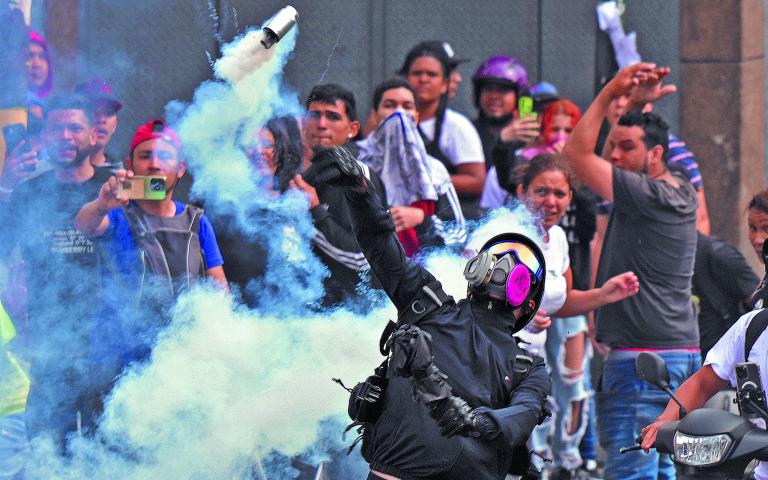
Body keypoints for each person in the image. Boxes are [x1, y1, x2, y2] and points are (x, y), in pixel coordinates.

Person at [304, 145, 549, 479]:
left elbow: (523, 415)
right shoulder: (428, 304)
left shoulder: (528, 368)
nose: (502, 269)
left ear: (528, 302)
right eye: (496, 259)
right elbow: (381, 245)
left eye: (516, 269)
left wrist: (469, 419)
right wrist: (361, 192)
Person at [562, 63, 700, 480]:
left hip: (642, 360)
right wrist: (635, 107)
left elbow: (576, 158)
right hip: (675, 353)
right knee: (660, 472)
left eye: (626, 147)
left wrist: (609, 94)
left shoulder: (645, 193)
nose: (615, 156)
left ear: (655, 154)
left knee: (630, 472)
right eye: (614, 146)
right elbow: (600, 161)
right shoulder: (678, 187)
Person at [513, 154, 639, 478]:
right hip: (500, 365)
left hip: (531, 367)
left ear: (570, 197)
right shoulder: (505, 234)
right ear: (521, 192)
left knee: (567, 389)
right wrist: (519, 317)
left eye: (560, 194)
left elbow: (563, 301)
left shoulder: (556, 238)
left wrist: (604, 294)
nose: (551, 202)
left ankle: (562, 462)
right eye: (541, 192)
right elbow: (473, 296)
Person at [0, 93, 113, 448]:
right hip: (49, 347)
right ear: (45, 136)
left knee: (107, 452)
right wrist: (5, 185)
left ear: (93, 135)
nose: (65, 136)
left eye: (74, 128)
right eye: (56, 129)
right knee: (46, 452)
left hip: (105, 345)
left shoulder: (113, 188)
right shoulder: (28, 192)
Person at [76, 118, 228, 293]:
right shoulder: (116, 214)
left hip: (183, 320)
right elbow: (83, 226)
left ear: (180, 168)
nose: (155, 165)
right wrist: (101, 206)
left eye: (164, 156)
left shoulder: (197, 220)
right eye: (145, 156)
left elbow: (220, 291)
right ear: (129, 164)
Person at [293, 83, 387, 308]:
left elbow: (361, 257)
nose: (322, 124)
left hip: (351, 313)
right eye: (314, 115)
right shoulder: (302, 173)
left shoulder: (358, 175)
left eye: (333, 117)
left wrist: (314, 211)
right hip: (307, 309)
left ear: (352, 129)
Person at [357, 78, 466, 254]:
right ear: (375, 116)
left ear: (416, 118)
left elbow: (459, 233)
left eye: (406, 106)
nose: (399, 113)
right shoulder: (357, 165)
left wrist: (423, 220)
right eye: (390, 105)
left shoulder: (434, 170)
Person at [400, 41, 486, 219]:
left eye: (431, 74)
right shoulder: (391, 122)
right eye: (417, 73)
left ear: (444, 84)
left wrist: (425, 178)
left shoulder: (456, 126)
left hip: (446, 225)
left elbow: (477, 181)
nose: (423, 79)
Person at [481, 98, 581, 209]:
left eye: (568, 130)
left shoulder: (583, 166)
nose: (561, 137)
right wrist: (502, 143)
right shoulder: (523, 163)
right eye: (554, 129)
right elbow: (507, 179)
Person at [471, 55, 539, 175]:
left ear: (519, 96)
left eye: (503, 90)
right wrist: (501, 141)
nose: (494, 96)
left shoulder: (529, 134)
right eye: (488, 89)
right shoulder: (466, 129)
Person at [75, 79, 123, 171]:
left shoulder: (120, 179)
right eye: (92, 111)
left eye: (108, 113)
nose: (101, 119)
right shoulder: (45, 171)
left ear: (115, 124)